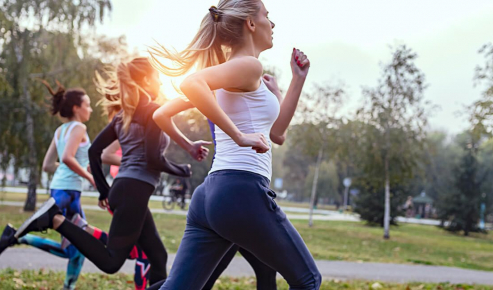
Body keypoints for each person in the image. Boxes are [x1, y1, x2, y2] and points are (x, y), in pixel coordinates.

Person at [148, 1, 321, 289]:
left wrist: (296, 81)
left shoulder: (235, 75)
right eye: (267, 16)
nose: (272, 24)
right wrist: (239, 136)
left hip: (210, 196)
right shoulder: (248, 66)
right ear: (251, 24)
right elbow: (190, 83)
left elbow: (277, 134)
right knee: (308, 280)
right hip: (242, 189)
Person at [12, 57, 196, 288]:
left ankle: (56, 218)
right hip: (134, 193)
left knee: (158, 257)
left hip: (124, 189)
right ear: (147, 80)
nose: (160, 83)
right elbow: (152, 157)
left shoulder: (123, 116)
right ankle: (56, 219)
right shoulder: (151, 111)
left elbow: (94, 152)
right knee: (111, 262)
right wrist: (181, 169)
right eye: (157, 77)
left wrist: (103, 191)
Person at [0, 81, 94, 290]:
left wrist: (71, 167)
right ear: (76, 108)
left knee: (72, 248)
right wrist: (89, 177)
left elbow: (48, 165)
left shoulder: (60, 131)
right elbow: (69, 158)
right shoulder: (79, 127)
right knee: (80, 242)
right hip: (69, 192)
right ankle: (20, 234)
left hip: (60, 187)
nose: (90, 109)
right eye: (87, 105)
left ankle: (17, 237)